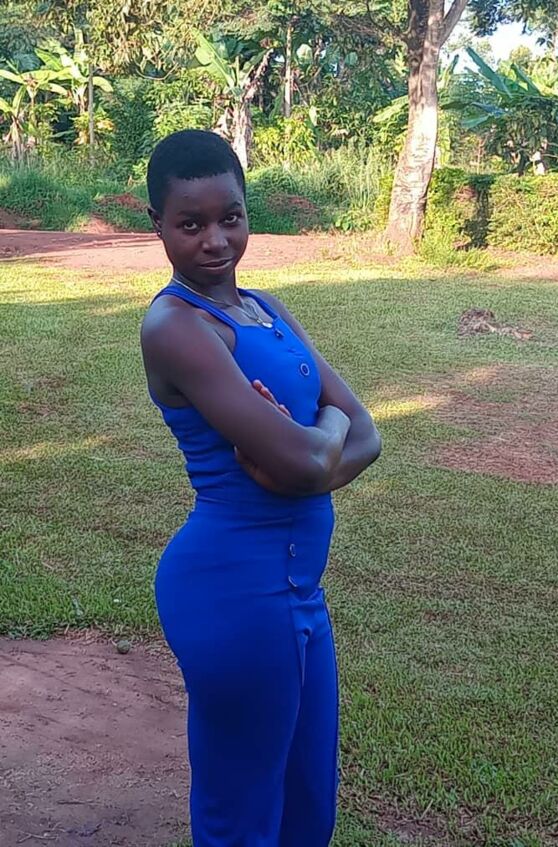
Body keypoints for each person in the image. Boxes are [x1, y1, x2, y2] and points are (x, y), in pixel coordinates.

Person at [140, 129, 381, 847]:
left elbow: (365, 433)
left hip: (300, 589)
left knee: (308, 803)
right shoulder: (176, 326)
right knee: (241, 813)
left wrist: (316, 441)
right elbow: (311, 462)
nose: (215, 240)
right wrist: (320, 444)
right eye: (191, 224)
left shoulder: (268, 309)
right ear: (158, 225)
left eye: (231, 218)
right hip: (233, 591)